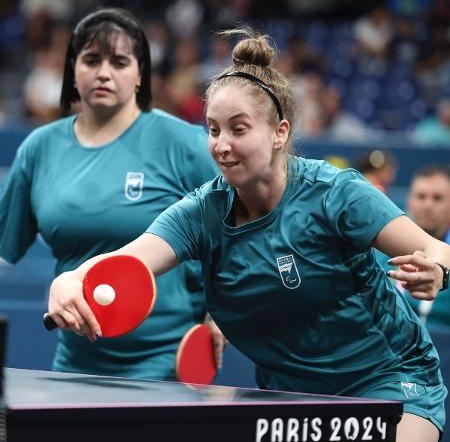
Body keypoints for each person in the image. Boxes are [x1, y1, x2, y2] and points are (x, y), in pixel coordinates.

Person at [46, 28, 450, 442]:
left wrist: (437, 268)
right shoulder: (202, 212)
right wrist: (69, 280)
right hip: (290, 403)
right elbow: (129, 261)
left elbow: (436, 248)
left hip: (388, 382)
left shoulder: (335, 194)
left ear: (280, 133)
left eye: (238, 130)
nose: (221, 145)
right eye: (213, 129)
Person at [0, 8, 223, 380]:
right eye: (91, 60)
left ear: (140, 75)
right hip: (73, 366)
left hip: (167, 365)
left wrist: (221, 314)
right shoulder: (38, 149)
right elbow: (7, 245)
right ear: (72, 70)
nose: (104, 72)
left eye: (120, 61)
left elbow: (240, 232)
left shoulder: (184, 144)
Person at [403, 165, 450, 326]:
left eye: (437, 198)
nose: (428, 205)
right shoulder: (379, 253)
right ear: (409, 202)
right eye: (421, 196)